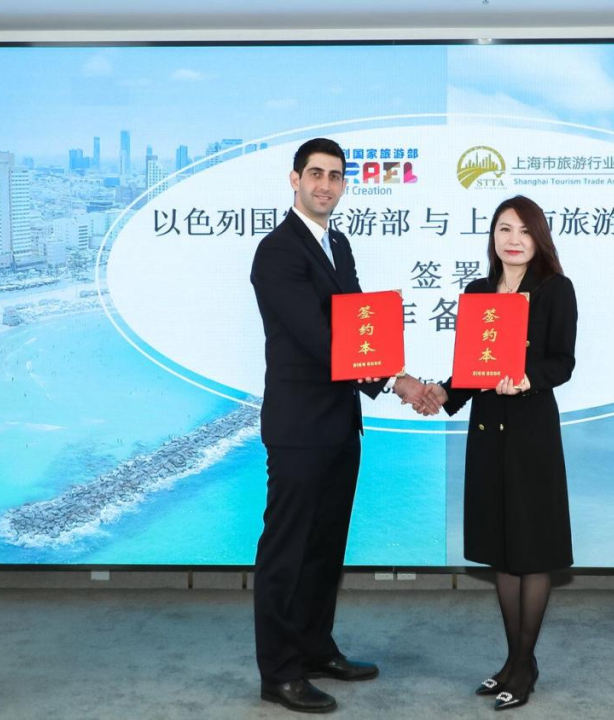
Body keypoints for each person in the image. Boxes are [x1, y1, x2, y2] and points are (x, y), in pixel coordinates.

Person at [249, 137, 429, 713]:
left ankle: (315, 648)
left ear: (345, 184)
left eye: (335, 176)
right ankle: (280, 672)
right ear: (295, 179)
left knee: (326, 547)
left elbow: (359, 331)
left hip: (339, 423)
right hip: (300, 427)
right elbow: (322, 339)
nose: (325, 185)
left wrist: (394, 374)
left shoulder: (339, 244)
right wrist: (398, 382)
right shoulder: (277, 251)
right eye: (315, 174)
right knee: (287, 551)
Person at [421, 195, 577, 711]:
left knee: (531, 549)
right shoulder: (478, 292)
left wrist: (527, 379)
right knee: (502, 551)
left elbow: (563, 362)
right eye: (504, 229)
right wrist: (442, 393)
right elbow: (472, 368)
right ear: (492, 236)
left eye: (525, 231)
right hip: (488, 433)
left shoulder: (556, 290)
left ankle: (524, 667)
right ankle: (514, 662)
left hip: (531, 434)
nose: (513, 239)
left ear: (539, 238)